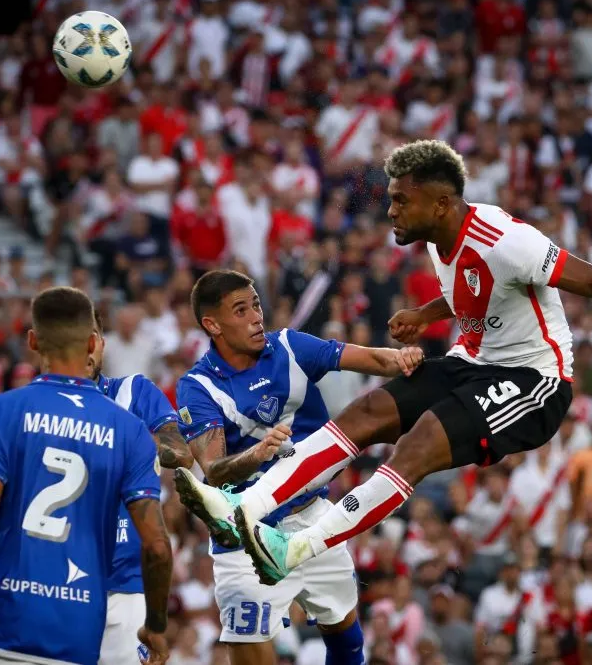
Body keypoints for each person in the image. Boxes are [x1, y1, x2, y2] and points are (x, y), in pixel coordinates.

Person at [176, 139, 592, 586]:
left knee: (415, 446)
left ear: (440, 204)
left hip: (534, 381)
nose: (390, 209)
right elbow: (478, 289)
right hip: (471, 362)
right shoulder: (439, 238)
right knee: (366, 414)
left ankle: (292, 549)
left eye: (400, 201)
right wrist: (428, 312)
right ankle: (242, 507)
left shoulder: (506, 239)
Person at [0, 286, 174, 665]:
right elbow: (158, 546)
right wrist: (157, 627)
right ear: (94, 342)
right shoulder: (129, 430)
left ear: (32, 340)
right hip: (74, 634)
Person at [173, 268, 424, 665]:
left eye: (256, 304)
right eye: (240, 310)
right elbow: (215, 470)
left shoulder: (289, 346)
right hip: (245, 535)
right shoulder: (198, 386)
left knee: (348, 641)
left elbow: (372, 358)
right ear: (212, 324)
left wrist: (402, 358)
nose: (256, 316)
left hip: (313, 518)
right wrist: (255, 457)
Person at [90, 312, 195, 665]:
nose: (87, 348)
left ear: (103, 343)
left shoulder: (132, 390)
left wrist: (137, 442)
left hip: (128, 581)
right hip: (62, 581)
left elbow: (180, 452)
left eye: (94, 337)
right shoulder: (39, 403)